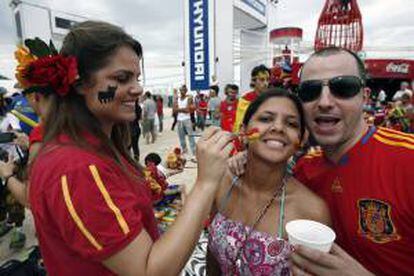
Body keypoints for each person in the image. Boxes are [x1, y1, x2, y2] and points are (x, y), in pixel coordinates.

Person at [26, 21, 234, 275]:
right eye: (121, 78)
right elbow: (148, 271)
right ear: (80, 84)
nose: (137, 89)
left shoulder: (96, 146)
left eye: (136, 77)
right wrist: (206, 182)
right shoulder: (78, 168)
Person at [292, 47, 414, 275]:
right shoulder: (303, 169)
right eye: (310, 91)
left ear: (365, 97)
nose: (324, 102)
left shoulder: (408, 161)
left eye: (343, 88)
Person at [207, 89, 331, 275]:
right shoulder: (222, 183)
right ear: (243, 130)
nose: (278, 128)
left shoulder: (312, 211)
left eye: (291, 124)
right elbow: (212, 257)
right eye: (265, 119)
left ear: (302, 138)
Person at [233, 64, 270, 133]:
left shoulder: (271, 99)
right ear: (253, 81)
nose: (266, 83)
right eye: (262, 80)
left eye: (267, 80)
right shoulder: (245, 100)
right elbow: (240, 124)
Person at [173, 84, 197, 157]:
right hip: (179, 120)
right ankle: (184, 150)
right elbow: (174, 110)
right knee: (181, 137)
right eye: (181, 90)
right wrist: (182, 109)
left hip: (187, 119)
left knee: (191, 136)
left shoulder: (189, 98)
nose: (182, 91)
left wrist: (179, 109)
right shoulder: (178, 99)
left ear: (186, 91)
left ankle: (194, 152)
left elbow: (187, 110)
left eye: (183, 90)